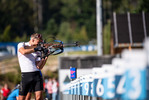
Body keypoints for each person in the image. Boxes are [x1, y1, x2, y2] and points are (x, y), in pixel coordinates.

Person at [17, 33, 48, 100]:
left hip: (36, 75)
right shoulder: (22, 44)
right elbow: (23, 52)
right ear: (33, 40)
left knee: (39, 97)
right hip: (26, 75)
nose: (39, 44)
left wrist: (45, 57)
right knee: (21, 98)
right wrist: (36, 49)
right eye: (38, 42)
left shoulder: (38, 50)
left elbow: (39, 66)